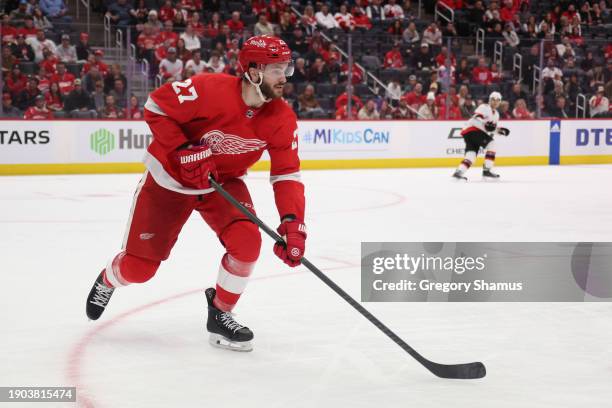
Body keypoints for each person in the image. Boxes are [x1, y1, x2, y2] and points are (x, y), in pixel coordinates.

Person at [85, 35, 307, 353]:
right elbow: (156, 106)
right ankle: (109, 278)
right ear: (254, 71)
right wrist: (182, 150)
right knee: (140, 270)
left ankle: (220, 313)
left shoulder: (282, 117)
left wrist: (292, 221)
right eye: (276, 69)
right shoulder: (208, 88)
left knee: (247, 243)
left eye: (286, 68)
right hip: (170, 181)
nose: (284, 77)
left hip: (222, 183)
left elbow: (286, 173)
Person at [452, 92, 510, 181]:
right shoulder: (484, 107)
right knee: (492, 144)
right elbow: (477, 118)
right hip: (473, 129)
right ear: (489, 100)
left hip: (469, 132)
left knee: (471, 155)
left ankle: (459, 172)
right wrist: (486, 124)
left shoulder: (496, 114)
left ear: (499, 102)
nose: (495, 102)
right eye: (493, 100)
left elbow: (490, 128)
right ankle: (487, 170)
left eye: (497, 100)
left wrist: (500, 131)